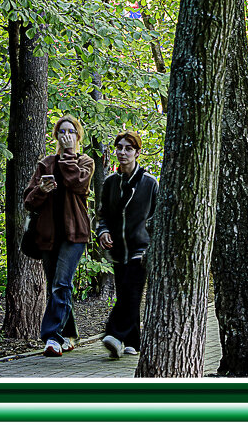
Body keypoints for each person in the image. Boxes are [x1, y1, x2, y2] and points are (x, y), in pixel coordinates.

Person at [23, 115, 95, 357]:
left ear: (78, 136)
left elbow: (78, 184)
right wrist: (41, 191)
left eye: (71, 131)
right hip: (48, 236)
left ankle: (52, 337)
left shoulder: (85, 162)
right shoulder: (46, 164)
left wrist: (68, 156)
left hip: (75, 235)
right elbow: (28, 201)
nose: (67, 136)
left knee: (61, 283)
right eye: (62, 131)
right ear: (55, 136)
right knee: (58, 285)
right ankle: (68, 333)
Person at [95, 129, 159, 359]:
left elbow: (158, 216)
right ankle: (133, 342)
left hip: (141, 248)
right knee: (125, 293)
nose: (123, 152)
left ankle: (113, 333)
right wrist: (102, 232)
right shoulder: (110, 183)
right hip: (117, 250)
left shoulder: (150, 183)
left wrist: (151, 240)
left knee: (132, 292)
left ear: (137, 152)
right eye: (120, 148)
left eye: (128, 148)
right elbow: (102, 215)